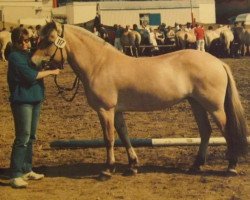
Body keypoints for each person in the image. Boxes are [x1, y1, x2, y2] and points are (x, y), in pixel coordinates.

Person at [7, 27, 60, 188]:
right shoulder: (15, 57)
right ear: (16, 42)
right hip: (23, 100)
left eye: (28, 40)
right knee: (22, 137)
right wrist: (51, 72)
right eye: (23, 41)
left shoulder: (28, 55)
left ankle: (26, 168)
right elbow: (31, 76)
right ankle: (15, 174)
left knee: (31, 137)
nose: (27, 43)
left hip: (35, 98)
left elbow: (37, 66)